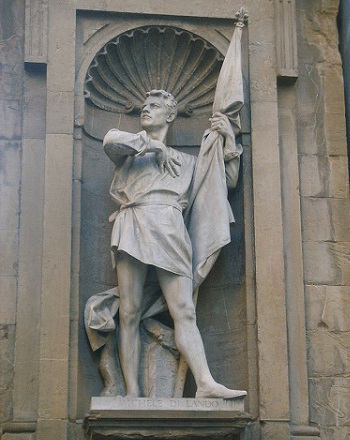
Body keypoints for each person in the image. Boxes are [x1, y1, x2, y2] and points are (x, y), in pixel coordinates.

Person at [103, 89, 246, 399]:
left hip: (170, 226)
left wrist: (229, 142)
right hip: (134, 220)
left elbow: (225, 184)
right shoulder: (130, 150)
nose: (146, 110)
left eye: (154, 106)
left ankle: (205, 383)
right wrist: (152, 145)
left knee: (184, 309)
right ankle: (131, 392)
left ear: (170, 115)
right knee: (129, 311)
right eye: (144, 106)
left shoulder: (185, 161)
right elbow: (109, 140)